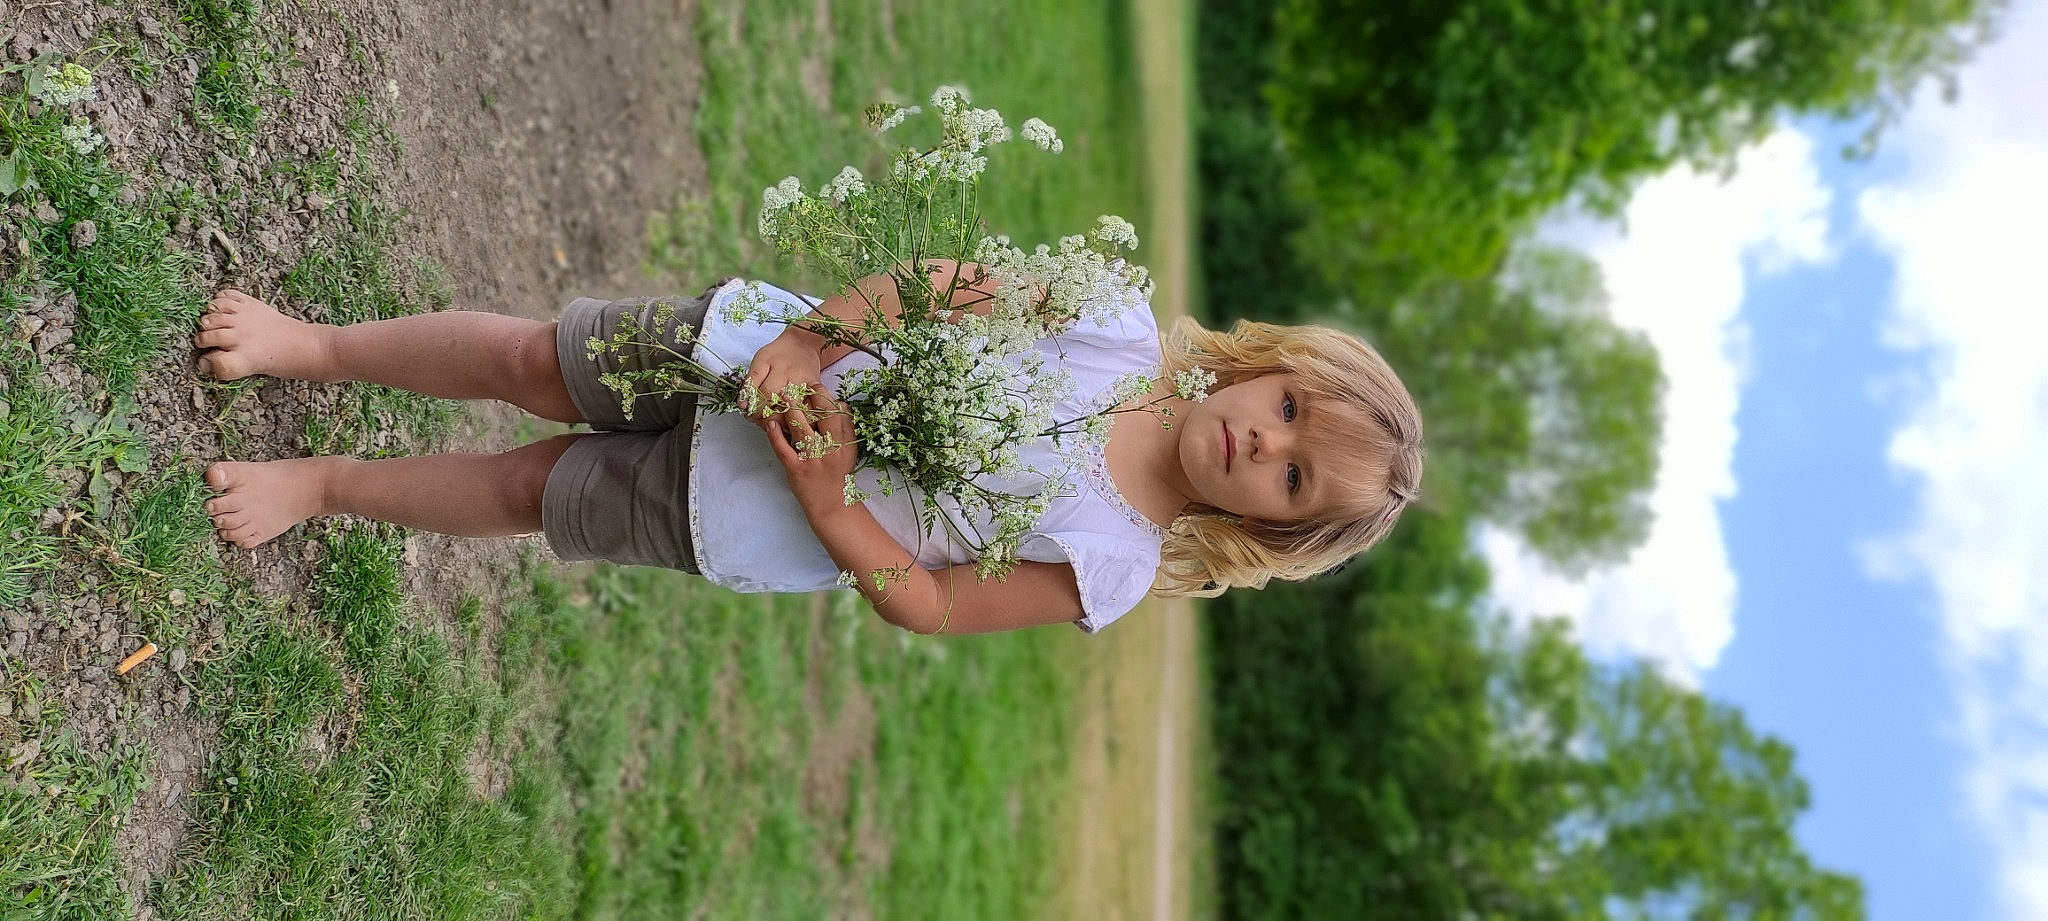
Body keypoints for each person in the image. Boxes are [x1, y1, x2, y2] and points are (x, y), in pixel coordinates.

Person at [190, 259, 1424, 635]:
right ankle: (317, 347)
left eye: (1289, 476)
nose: (1259, 440)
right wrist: (816, 344)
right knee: (533, 359)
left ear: (1265, 528)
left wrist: (832, 501)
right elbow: (941, 283)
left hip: (753, 509)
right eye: (1286, 410)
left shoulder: (1110, 564)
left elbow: (934, 599)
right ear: (1271, 365)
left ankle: (324, 485)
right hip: (754, 357)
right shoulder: (1109, 324)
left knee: (534, 487)